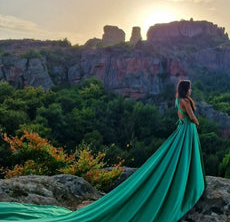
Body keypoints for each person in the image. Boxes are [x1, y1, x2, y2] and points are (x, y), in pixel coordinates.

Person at [0, 80, 205, 222]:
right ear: (187, 89)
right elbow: (192, 118)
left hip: (182, 130)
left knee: (177, 157)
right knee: (181, 157)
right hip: (187, 130)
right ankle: (186, 181)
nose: (192, 91)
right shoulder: (185, 102)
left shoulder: (178, 99)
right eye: (191, 88)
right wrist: (197, 121)